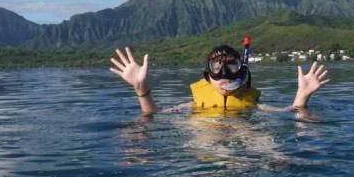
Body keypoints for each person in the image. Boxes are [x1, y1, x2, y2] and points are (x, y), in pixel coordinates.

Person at [110, 44, 330, 115]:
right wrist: (142, 88)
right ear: (208, 75)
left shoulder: (252, 105)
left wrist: (302, 96)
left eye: (232, 66)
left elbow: (288, 112)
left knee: (265, 148)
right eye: (217, 67)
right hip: (207, 144)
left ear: (241, 72)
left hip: (245, 139)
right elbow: (152, 116)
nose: (224, 74)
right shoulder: (194, 104)